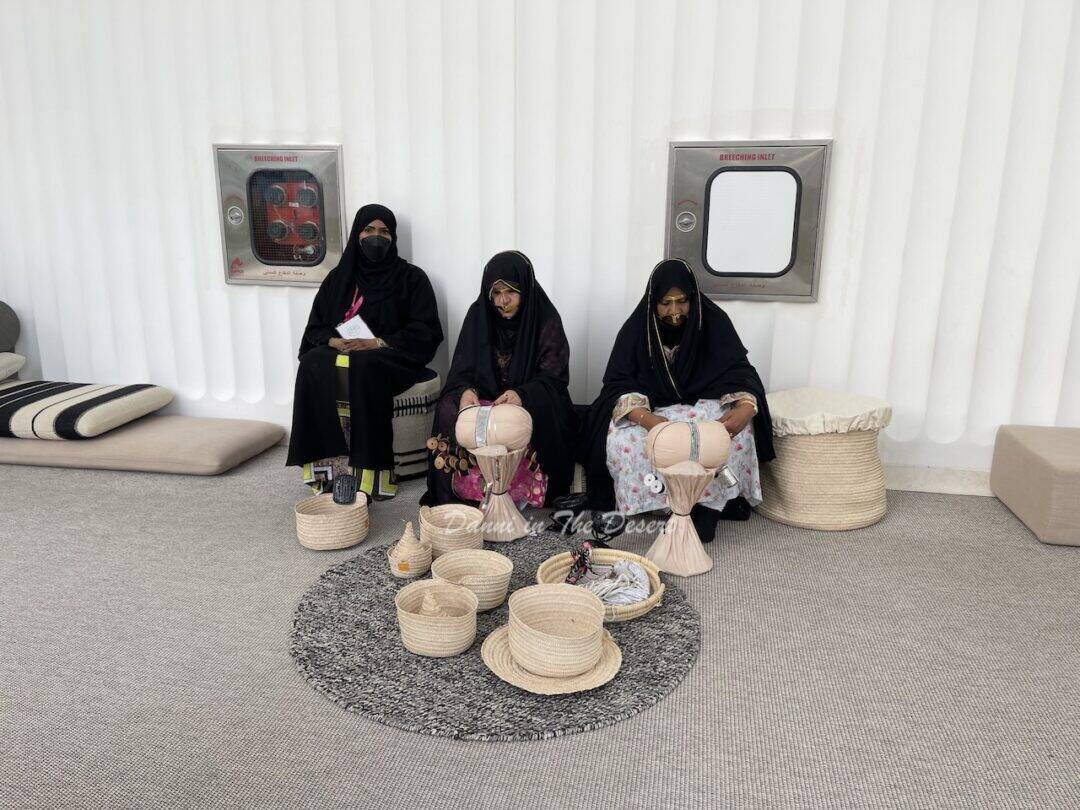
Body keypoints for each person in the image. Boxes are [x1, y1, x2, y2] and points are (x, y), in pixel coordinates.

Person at [580, 258, 775, 542]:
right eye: (665, 303)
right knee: (623, 438)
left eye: (682, 301)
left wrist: (746, 407)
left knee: (733, 433)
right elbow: (617, 384)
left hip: (704, 406)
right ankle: (662, 504)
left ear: (693, 298)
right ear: (652, 303)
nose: (674, 312)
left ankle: (707, 504)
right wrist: (648, 420)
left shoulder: (713, 322)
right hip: (652, 411)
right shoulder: (637, 331)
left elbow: (739, 371)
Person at [287, 204, 443, 499]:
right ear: (356, 234)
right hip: (342, 350)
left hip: (388, 354)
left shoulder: (411, 278)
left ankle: (370, 476)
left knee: (364, 365)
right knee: (312, 362)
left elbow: (426, 330)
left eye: (384, 231)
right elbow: (315, 329)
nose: (376, 237)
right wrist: (334, 342)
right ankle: (326, 471)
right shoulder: (339, 278)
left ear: (393, 237)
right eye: (369, 230)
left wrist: (377, 342)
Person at [421, 250, 577, 507]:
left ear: (525, 290)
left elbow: (555, 377)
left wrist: (522, 394)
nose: (502, 301)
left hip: (527, 399)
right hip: (484, 402)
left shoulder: (544, 318)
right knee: (449, 406)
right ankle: (464, 493)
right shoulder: (478, 315)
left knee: (546, 409)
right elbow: (461, 369)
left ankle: (526, 491)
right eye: (495, 293)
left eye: (511, 292)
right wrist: (464, 391)